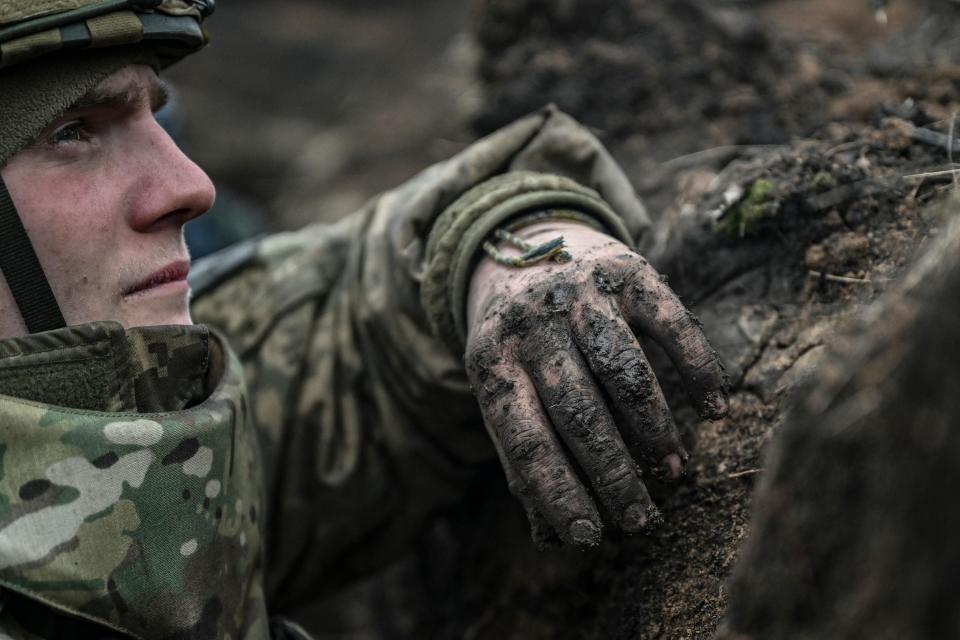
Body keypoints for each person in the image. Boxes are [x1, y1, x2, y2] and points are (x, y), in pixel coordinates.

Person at [0, 1, 729, 638]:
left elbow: (358, 320)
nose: (190, 187)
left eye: (152, 114)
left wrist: (507, 251)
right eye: (72, 132)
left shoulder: (153, 402)